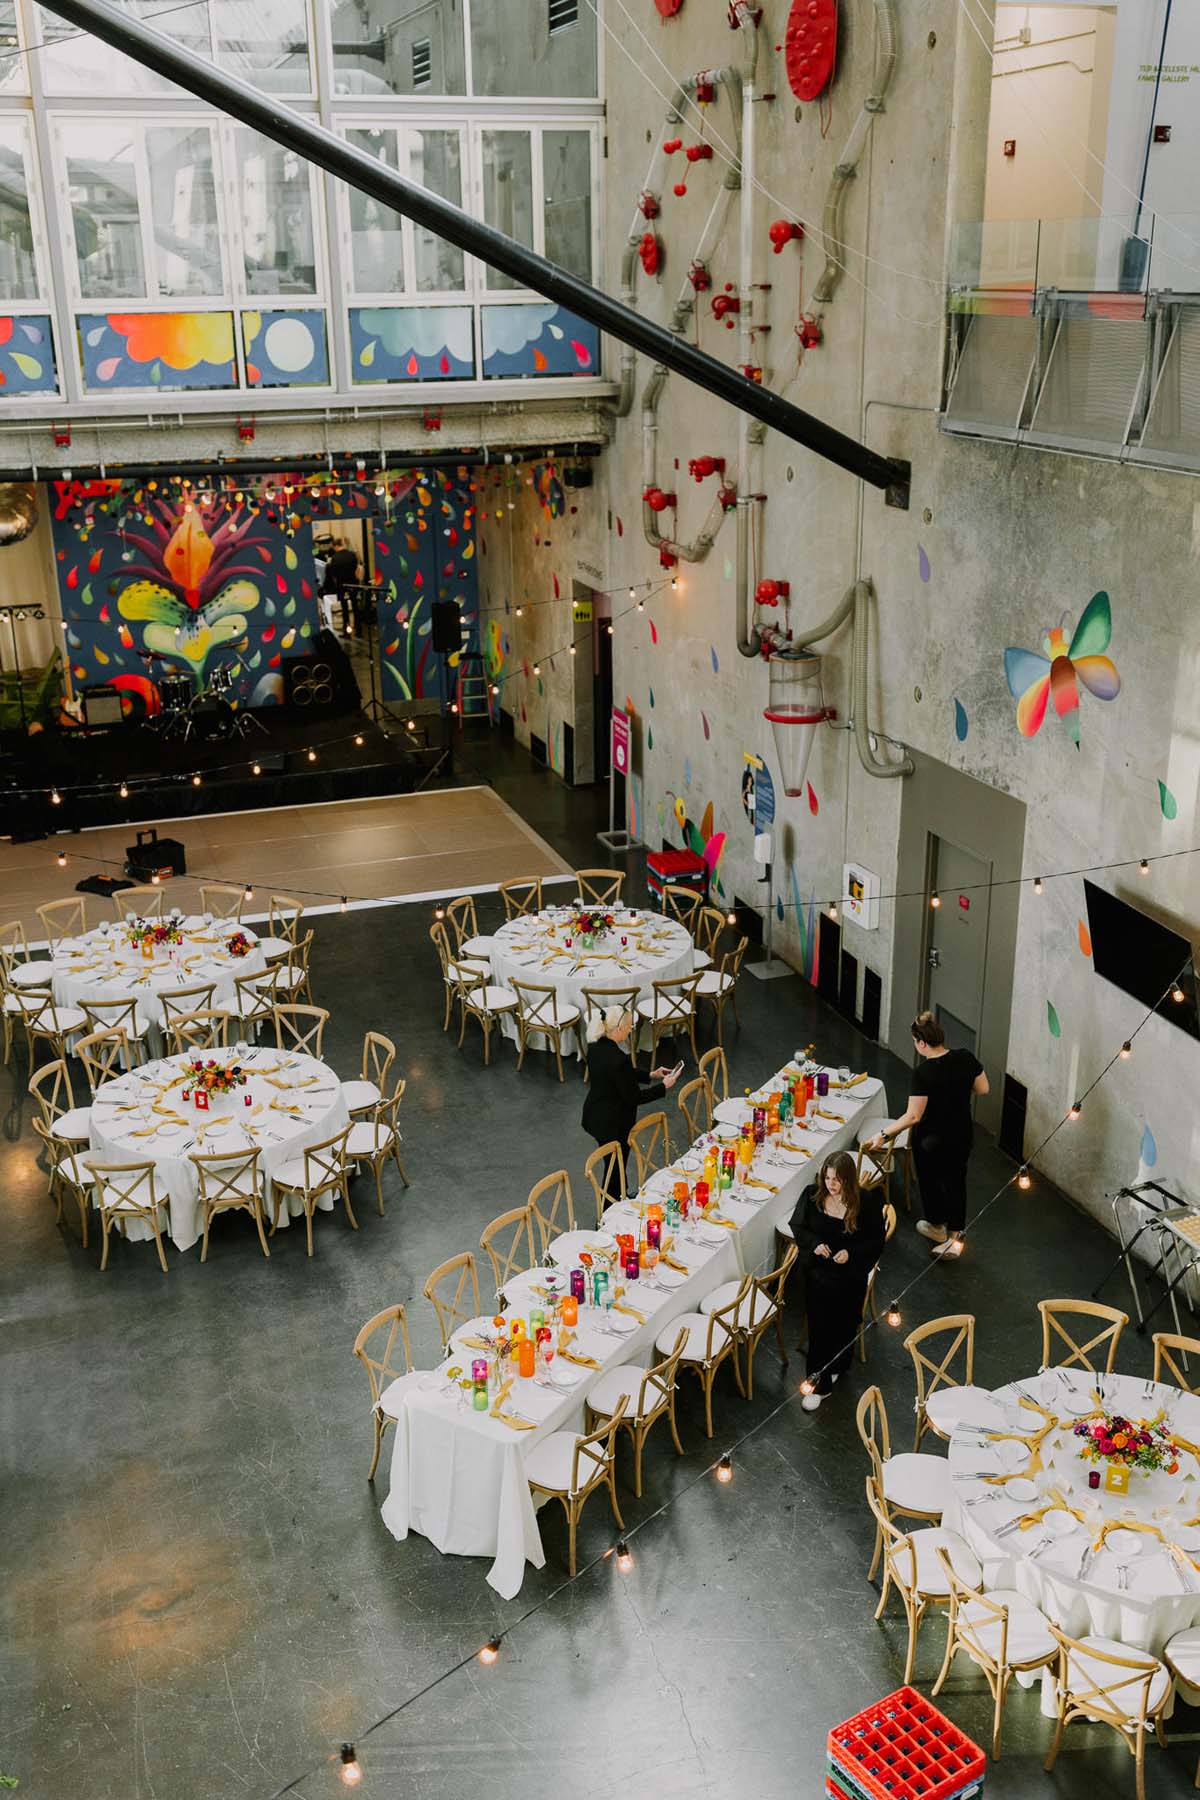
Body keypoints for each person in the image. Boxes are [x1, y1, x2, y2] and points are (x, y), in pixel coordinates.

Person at [866, 1012, 988, 1260]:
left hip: (933, 1140)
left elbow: (913, 1116)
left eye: (914, 1041)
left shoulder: (923, 1073)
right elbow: (983, 1088)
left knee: (931, 1181)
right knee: (956, 1182)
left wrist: (883, 1135)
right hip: (962, 1134)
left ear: (922, 1043)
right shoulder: (965, 1057)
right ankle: (955, 1238)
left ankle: (937, 1227)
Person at [789, 1150, 886, 1412]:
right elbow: (799, 1227)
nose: (831, 1185)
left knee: (843, 1320)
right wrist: (815, 1244)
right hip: (819, 1271)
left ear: (848, 1180)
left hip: (850, 1272)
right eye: (828, 1178)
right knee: (821, 1322)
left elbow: (876, 1240)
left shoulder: (865, 1202)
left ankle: (838, 1365)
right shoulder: (813, 1196)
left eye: (837, 1180)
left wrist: (851, 1253)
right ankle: (819, 1382)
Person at [581, 1006, 680, 1197]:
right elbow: (634, 1097)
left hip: (597, 1115)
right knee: (615, 1167)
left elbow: (620, 1075)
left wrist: (651, 1074)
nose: (630, 1030)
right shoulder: (618, 1059)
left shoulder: (596, 1046)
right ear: (618, 1029)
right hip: (613, 1123)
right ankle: (609, 1208)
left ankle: (620, 1197)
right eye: (629, 1026)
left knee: (614, 1165)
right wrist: (664, 1086)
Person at [322, 537, 361, 636]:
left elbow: (333, 574)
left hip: (341, 586)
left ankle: (347, 631)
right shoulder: (352, 555)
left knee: (344, 609)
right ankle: (359, 630)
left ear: (335, 546)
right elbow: (357, 568)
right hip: (353, 584)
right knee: (355, 607)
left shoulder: (335, 558)